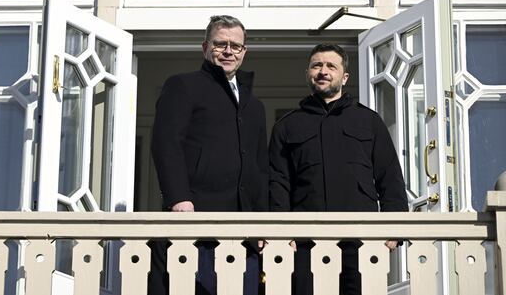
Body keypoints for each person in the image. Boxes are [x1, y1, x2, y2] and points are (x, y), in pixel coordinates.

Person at [268, 43, 408, 295]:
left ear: (344, 77)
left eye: (331, 66)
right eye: (316, 65)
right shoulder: (286, 126)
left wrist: (395, 227)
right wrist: (282, 232)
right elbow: (278, 183)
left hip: (362, 241)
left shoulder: (369, 121)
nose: (323, 71)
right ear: (308, 73)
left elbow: (390, 177)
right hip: (304, 243)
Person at [150, 15, 268, 295]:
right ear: (205, 47)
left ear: (244, 53)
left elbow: (260, 167)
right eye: (220, 44)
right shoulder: (183, 85)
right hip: (197, 223)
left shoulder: (255, 106)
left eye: (235, 46)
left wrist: (264, 221)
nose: (228, 51)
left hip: (245, 230)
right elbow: (166, 142)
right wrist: (178, 198)